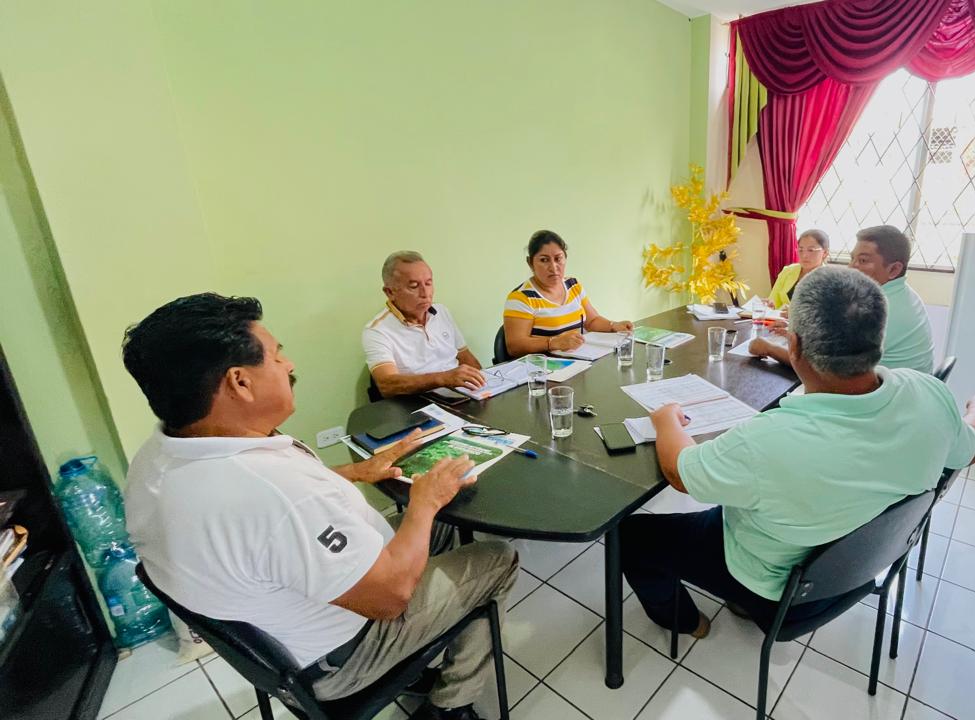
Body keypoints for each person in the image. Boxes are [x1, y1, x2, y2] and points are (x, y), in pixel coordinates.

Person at [122, 293, 516, 720]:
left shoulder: (157, 459)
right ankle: (450, 706)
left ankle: (428, 652)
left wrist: (356, 472)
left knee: (446, 522)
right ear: (240, 382)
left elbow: (280, 512)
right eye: (276, 355)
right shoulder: (271, 494)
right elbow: (390, 598)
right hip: (346, 651)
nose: (288, 364)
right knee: (497, 557)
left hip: (290, 621)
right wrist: (425, 502)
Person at [621, 266, 975, 637]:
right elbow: (973, 446)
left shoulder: (770, 439)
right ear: (879, 339)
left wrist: (666, 420)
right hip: (857, 566)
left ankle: (684, 621)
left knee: (632, 534)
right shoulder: (929, 394)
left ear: (793, 345)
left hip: (777, 591)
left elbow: (679, 472)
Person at [750, 225, 935, 374]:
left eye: (863, 261)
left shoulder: (878, 307)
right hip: (902, 390)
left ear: (894, 269)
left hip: (883, 400)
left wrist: (769, 348)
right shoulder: (903, 294)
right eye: (852, 259)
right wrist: (796, 330)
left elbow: (823, 366)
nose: (851, 268)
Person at [364, 251, 486, 397]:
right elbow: (387, 385)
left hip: (459, 395)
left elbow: (465, 357)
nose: (425, 293)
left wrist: (485, 384)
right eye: (414, 286)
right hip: (417, 402)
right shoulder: (377, 330)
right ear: (390, 292)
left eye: (428, 283)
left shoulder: (441, 312)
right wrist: (443, 379)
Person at [502, 230, 633, 358]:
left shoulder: (573, 285)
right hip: (546, 367)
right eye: (544, 260)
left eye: (558, 259)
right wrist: (553, 342)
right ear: (530, 263)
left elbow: (592, 321)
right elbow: (515, 346)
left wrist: (613, 325)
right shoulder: (521, 298)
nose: (553, 267)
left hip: (582, 360)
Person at [766, 229, 830, 308]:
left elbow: (827, 312)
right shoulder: (788, 271)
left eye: (811, 250)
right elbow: (773, 301)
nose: (804, 255)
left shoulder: (829, 279)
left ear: (825, 253)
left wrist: (793, 313)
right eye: (800, 250)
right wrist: (769, 305)